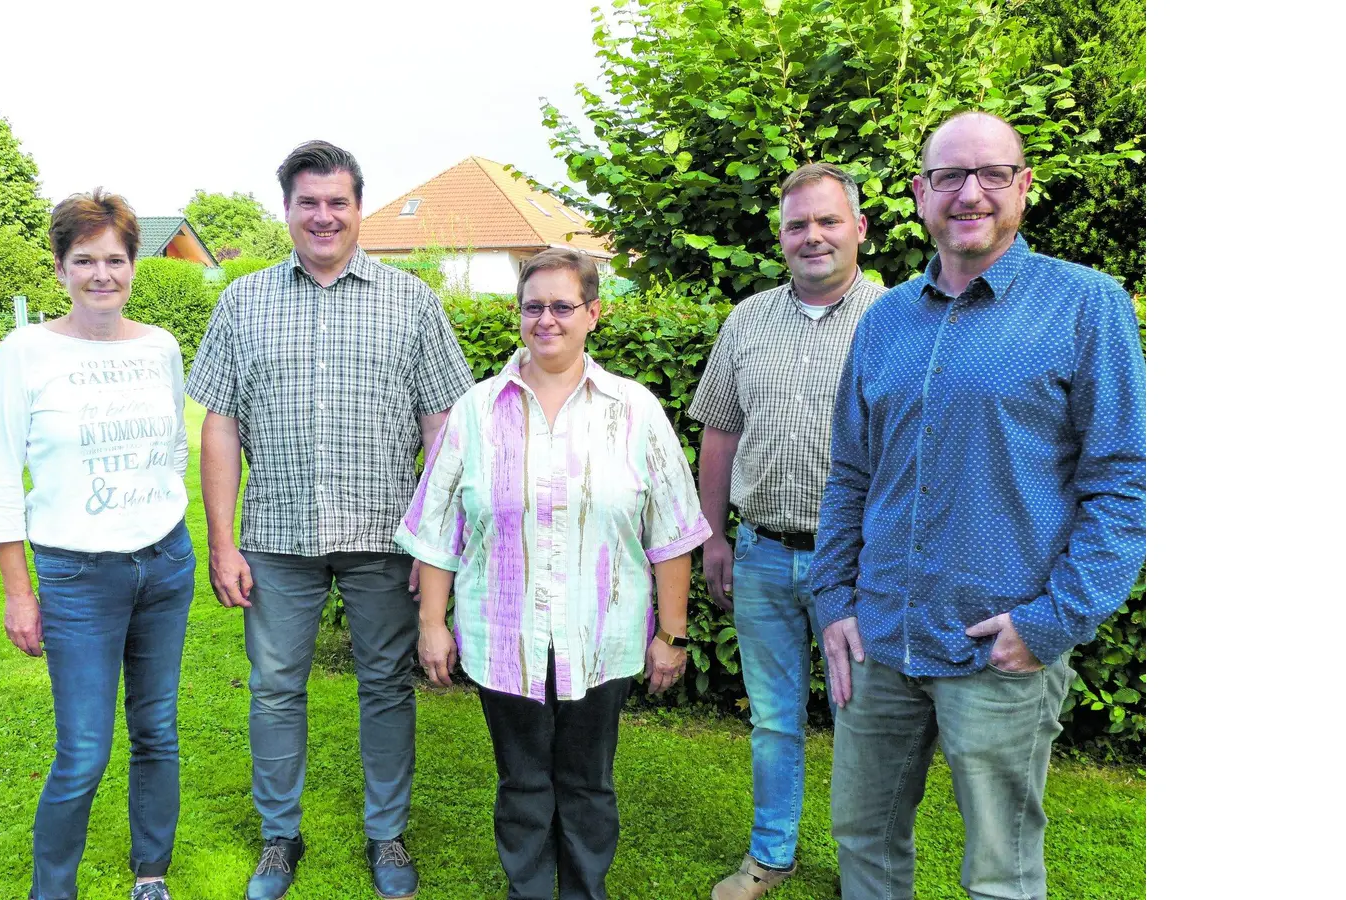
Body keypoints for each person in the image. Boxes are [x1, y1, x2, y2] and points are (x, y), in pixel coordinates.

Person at [808, 111, 1147, 900]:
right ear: (920, 193)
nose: (970, 194)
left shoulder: (1085, 306)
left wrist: (1052, 622)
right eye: (950, 176)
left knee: (1000, 870)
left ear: (1023, 186)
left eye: (992, 174)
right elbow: (851, 474)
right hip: (879, 638)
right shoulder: (884, 320)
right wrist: (833, 599)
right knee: (863, 839)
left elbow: (1125, 480)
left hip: (999, 647)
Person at [186, 140, 474, 900]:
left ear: (358, 208)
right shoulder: (242, 302)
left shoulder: (411, 301)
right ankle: (279, 835)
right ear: (286, 209)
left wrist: (435, 542)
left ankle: (388, 832)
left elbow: (444, 427)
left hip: (386, 538)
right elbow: (220, 426)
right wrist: (222, 542)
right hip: (276, 539)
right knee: (275, 689)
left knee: (387, 687)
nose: (323, 216)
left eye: (337, 202)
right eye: (308, 202)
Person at [396, 248, 710, 900]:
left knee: (589, 783)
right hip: (502, 636)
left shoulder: (635, 410)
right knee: (522, 784)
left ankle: (584, 891)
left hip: (602, 638)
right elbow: (437, 529)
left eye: (563, 306)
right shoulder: (476, 412)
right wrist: (432, 624)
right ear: (518, 315)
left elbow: (674, 531)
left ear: (593, 313)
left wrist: (671, 634)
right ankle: (530, 891)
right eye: (533, 306)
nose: (547, 320)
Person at [0, 188, 196, 900]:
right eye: (84, 260)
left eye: (114, 259)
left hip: (165, 564)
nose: (102, 274)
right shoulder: (26, 352)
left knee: (157, 732)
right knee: (82, 752)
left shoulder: (161, 347)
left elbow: (174, 448)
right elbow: (0, 476)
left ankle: (151, 876)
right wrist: (20, 593)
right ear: (60, 268)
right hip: (77, 578)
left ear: (134, 264)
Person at [687, 162, 884, 900]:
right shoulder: (747, 320)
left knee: (865, 721)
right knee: (773, 720)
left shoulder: (896, 318)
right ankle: (770, 855)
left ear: (859, 227)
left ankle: (865, 868)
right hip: (762, 553)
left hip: (859, 566)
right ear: (780, 236)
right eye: (798, 224)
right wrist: (713, 536)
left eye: (828, 220)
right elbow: (720, 430)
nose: (813, 236)